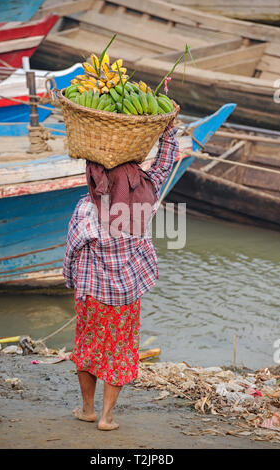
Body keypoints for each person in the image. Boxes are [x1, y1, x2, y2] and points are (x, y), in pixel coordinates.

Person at [63, 105, 182, 431]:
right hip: (125, 299)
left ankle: (87, 408)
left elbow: (72, 253)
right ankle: (106, 417)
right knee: (118, 351)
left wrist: (70, 281)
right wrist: (169, 127)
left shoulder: (86, 209)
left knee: (87, 349)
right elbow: (164, 163)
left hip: (91, 297)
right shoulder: (144, 200)